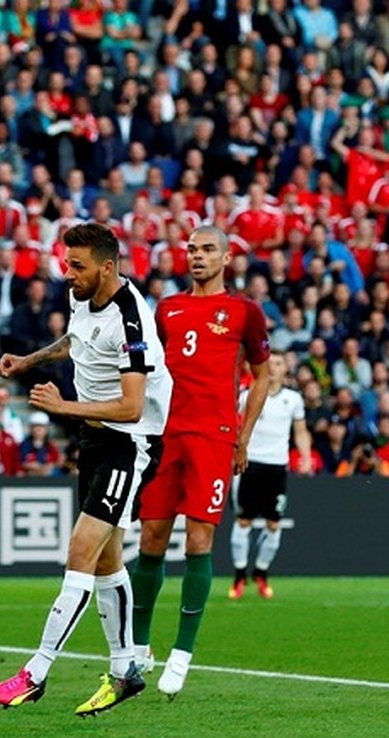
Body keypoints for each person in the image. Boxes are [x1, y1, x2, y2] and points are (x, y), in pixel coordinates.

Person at [0, 222, 172, 716]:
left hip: (130, 442)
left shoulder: (131, 320)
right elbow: (76, 340)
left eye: (78, 266)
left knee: (81, 550)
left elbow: (133, 407)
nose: (68, 274)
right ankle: (125, 668)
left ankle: (36, 672)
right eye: (68, 263)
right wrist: (30, 360)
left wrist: (64, 406)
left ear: (108, 268)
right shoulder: (83, 294)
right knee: (108, 560)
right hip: (94, 435)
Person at [131, 225, 272, 697]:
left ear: (226, 257)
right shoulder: (167, 309)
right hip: (166, 434)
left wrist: (243, 437)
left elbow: (262, 375)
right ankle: (138, 646)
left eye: (207, 249)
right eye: (191, 249)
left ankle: (183, 650)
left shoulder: (244, 312)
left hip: (213, 437)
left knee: (198, 538)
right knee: (151, 536)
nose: (196, 256)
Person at [230, 353, 314, 600]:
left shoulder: (293, 400)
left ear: (285, 368)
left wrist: (306, 457)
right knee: (244, 521)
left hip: (277, 466)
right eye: (270, 363)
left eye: (278, 364)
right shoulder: (248, 395)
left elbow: (300, 432)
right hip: (250, 464)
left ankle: (261, 572)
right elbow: (236, 427)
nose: (274, 368)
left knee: (274, 523)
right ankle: (239, 576)